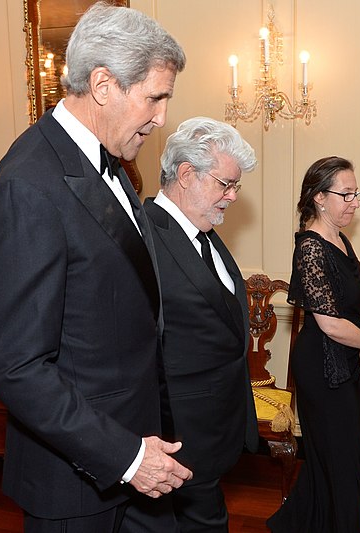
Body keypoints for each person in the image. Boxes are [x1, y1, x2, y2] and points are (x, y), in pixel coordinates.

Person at [0, 3, 191, 532]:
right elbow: (16, 365)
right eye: (155, 97)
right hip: (78, 481)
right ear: (102, 85)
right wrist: (126, 457)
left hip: (137, 453)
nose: (162, 117)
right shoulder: (28, 185)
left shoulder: (108, 163)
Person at [142, 117, 258, 532]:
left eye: (235, 187)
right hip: (177, 435)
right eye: (225, 184)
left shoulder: (203, 231)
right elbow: (140, 345)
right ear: (187, 174)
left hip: (211, 430)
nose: (231, 197)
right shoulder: (144, 233)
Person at [267, 156, 360, 532]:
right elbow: (331, 324)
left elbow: (359, 300)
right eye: (346, 194)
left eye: (356, 193)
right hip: (322, 365)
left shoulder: (341, 239)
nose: (355, 202)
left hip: (347, 358)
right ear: (319, 197)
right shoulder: (311, 248)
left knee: (338, 459)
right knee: (340, 462)